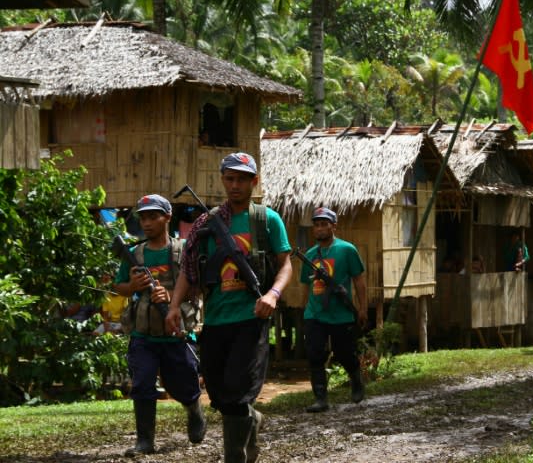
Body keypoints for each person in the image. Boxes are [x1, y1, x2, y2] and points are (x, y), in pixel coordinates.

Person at [165, 152, 292, 463]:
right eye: (230, 179)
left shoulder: (266, 219)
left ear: (254, 181)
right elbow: (188, 269)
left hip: (252, 317)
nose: (235, 185)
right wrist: (173, 307)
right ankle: (252, 419)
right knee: (220, 395)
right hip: (217, 319)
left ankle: (232, 457)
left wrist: (273, 294)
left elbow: (285, 265)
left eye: (242, 179)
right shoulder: (206, 225)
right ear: (223, 180)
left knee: (237, 390)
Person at [113, 194, 205, 456]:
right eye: (143, 217)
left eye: (153, 216)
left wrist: (172, 296)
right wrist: (131, 287)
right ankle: (145, 441)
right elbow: (118, 287)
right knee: (141, 383)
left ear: (167, 217)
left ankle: (194, 410)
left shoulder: (184, 249)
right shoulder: (134, 254)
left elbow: (197, 286)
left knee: (183, 384)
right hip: (144, 332)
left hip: (176, 331)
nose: (147, 222)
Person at [300, 207, 368, 413]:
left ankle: (356, 380)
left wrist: (363, 308)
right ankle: (321, 398)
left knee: (345, 353)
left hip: (341, 314)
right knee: (314, 354)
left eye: (324, 224)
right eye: (317, 224)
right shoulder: (310, 255)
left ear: (333, 226)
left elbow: (359, 280)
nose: (320, 228)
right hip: (315, 314)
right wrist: (305, 311)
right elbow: (306, 285)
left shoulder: (347, 250)